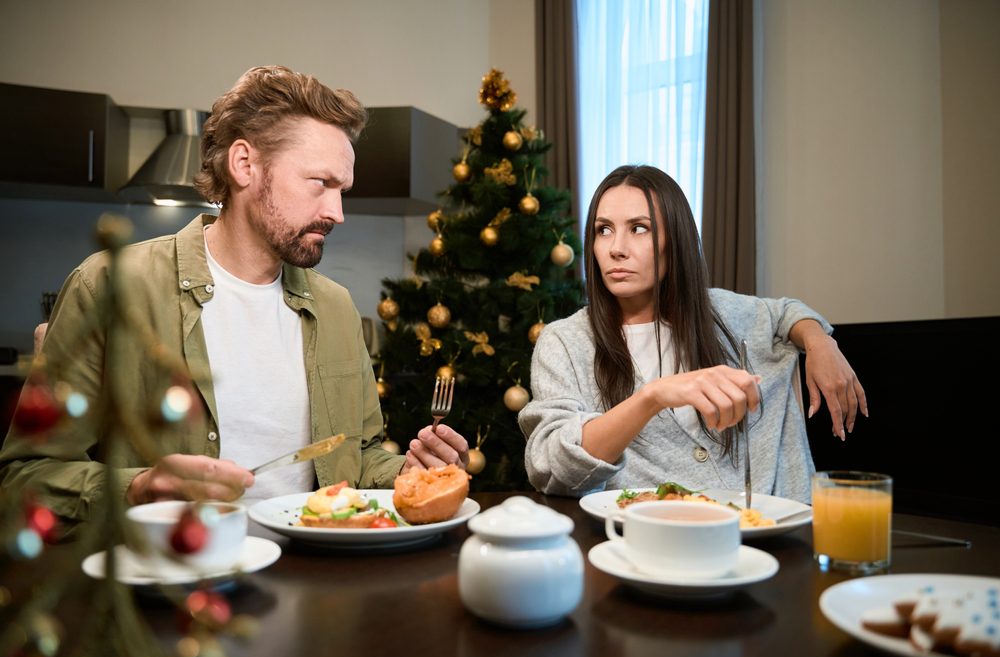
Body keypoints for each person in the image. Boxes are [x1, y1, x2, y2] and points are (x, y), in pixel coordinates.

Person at [0, 66, 468, 535]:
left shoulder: (336, 308)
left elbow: (358, 461)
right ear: (244, 164)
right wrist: (139, 488)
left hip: (320, 584)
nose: (337, 213)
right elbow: (25, 477)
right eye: (320, 184)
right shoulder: (109, 287)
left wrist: (407, 477)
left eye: (342, 190)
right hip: (177, 590)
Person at [519, 165, 866, 503]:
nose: (615, 248)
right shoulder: (563, 342)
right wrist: (652, 397)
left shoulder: (723, 313)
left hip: (765, 535)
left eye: (639, 229)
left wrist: (821, 342)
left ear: (677, 240)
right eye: (603, 230)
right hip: (647, 542)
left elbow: (785, 312)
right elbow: (551, 466)